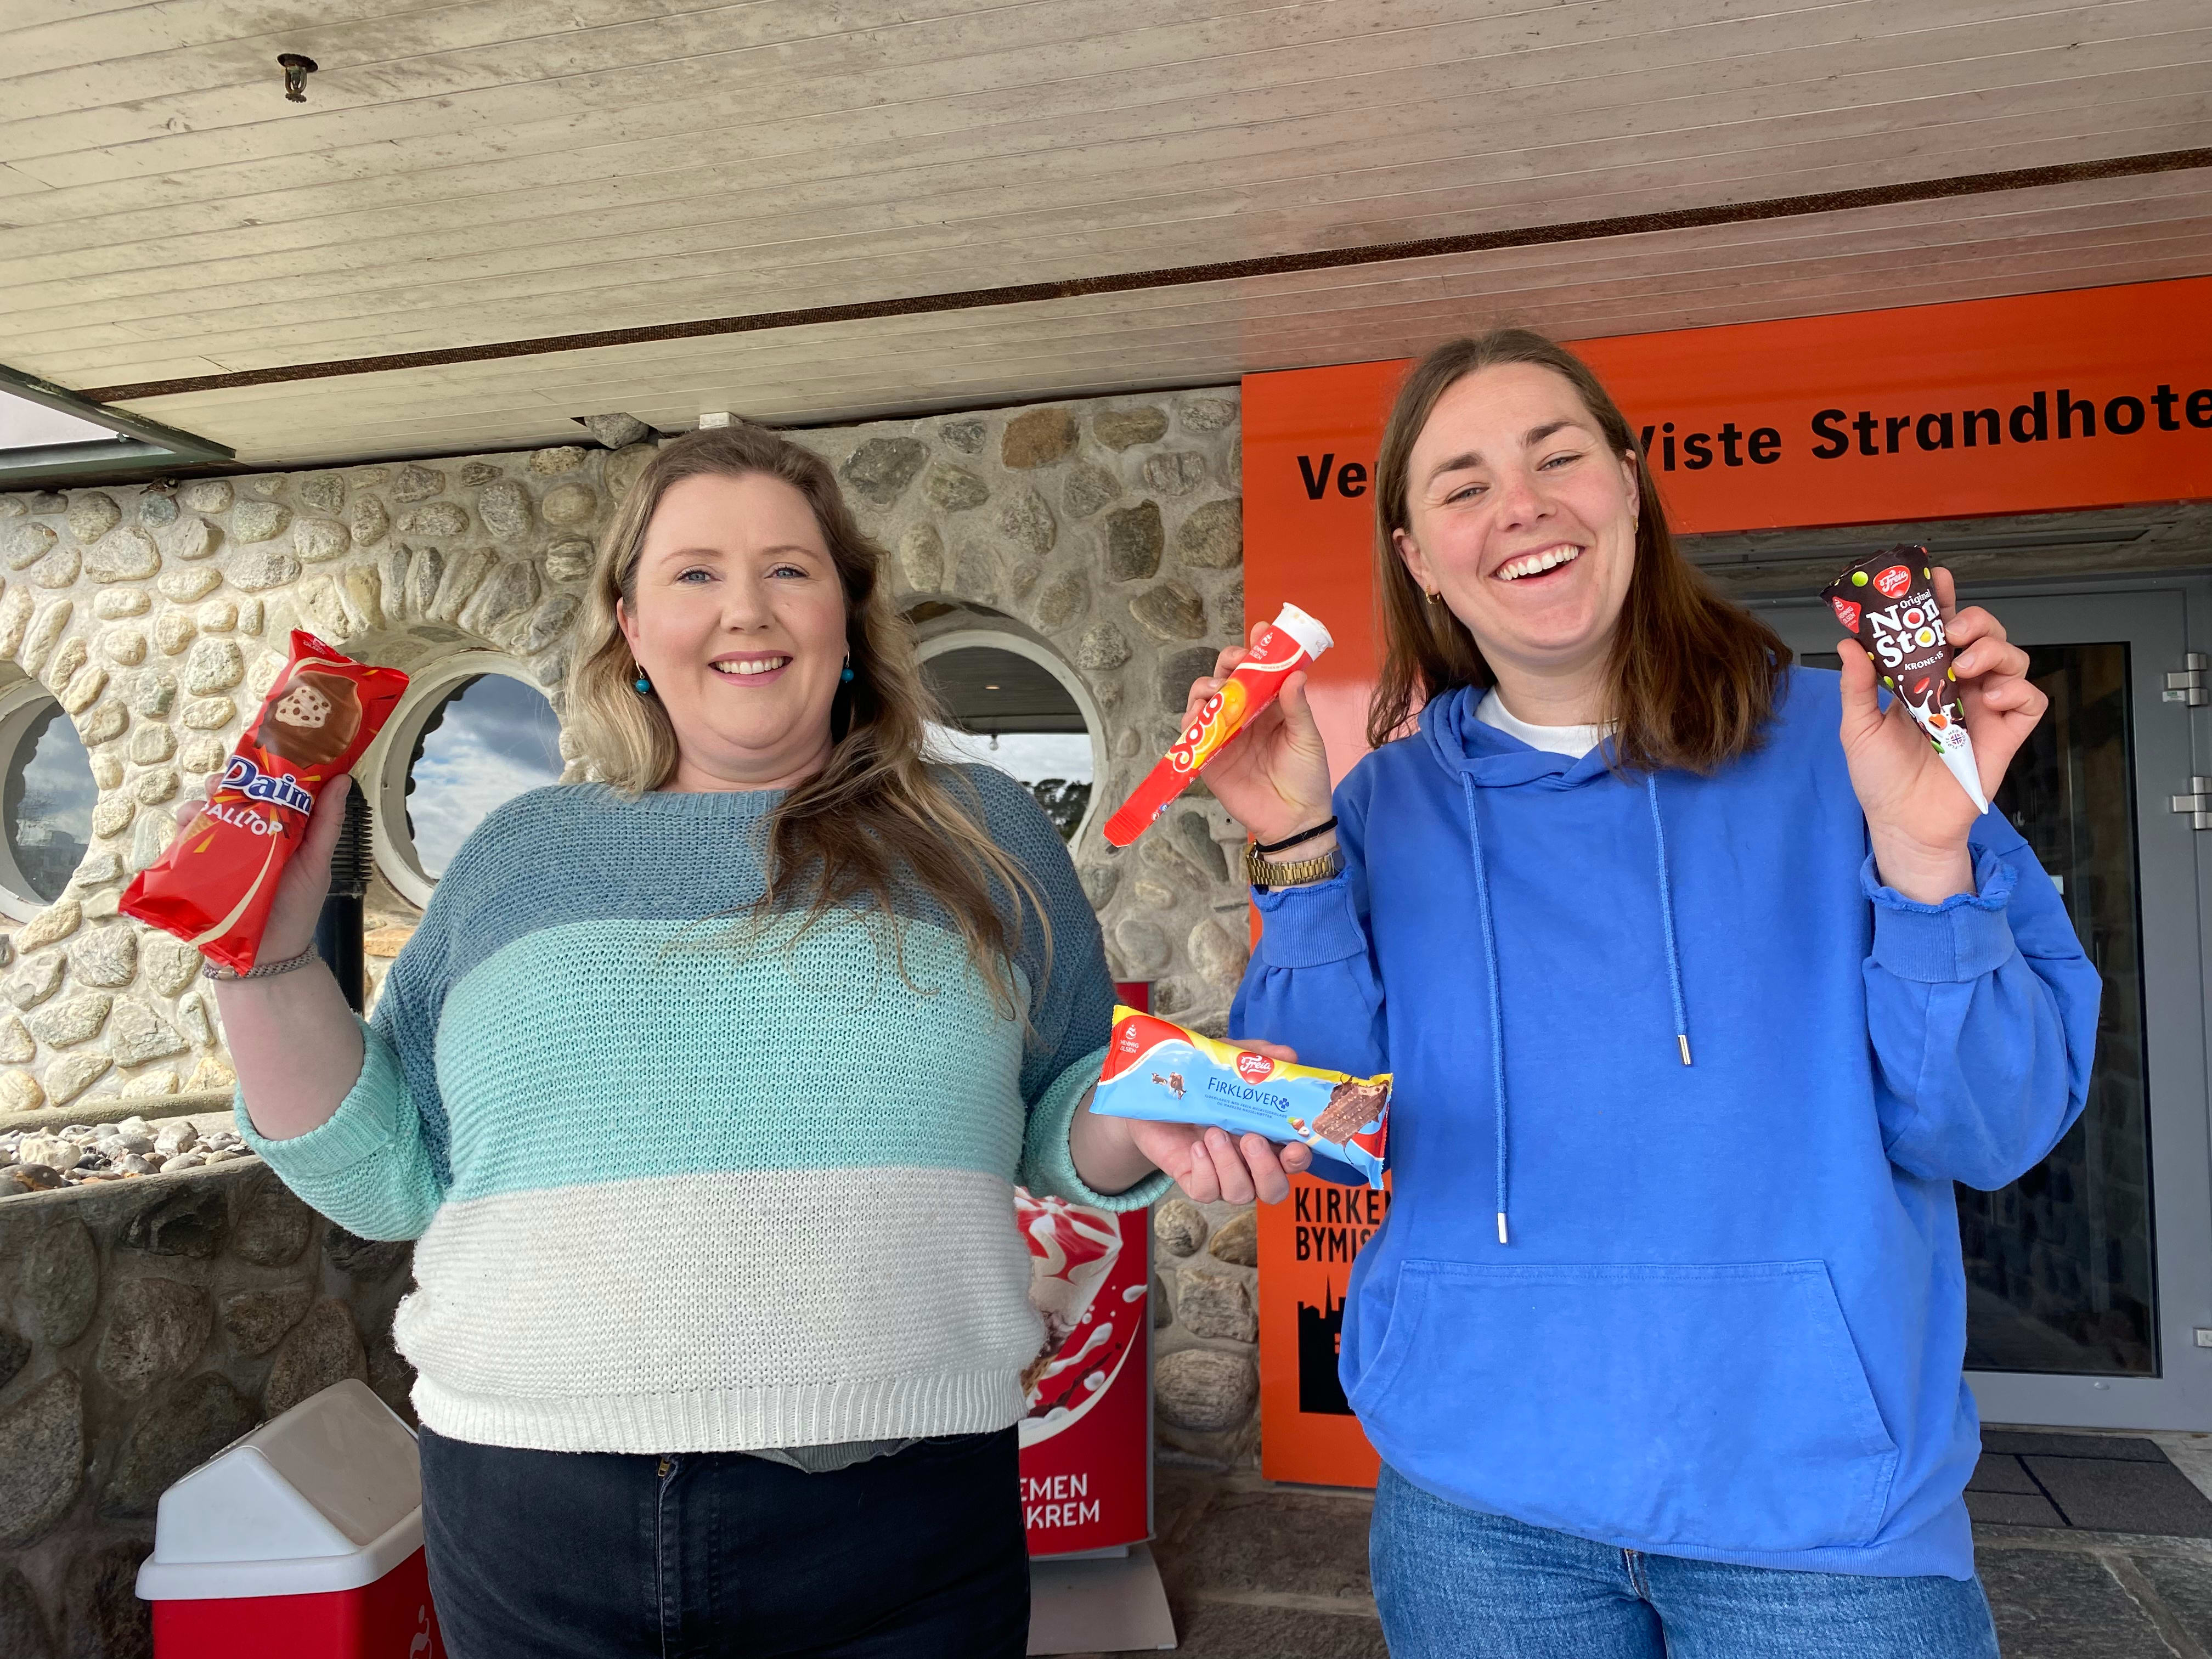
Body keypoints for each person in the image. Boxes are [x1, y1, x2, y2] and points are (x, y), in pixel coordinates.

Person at [198, 422, 1305, 1659]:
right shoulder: (515, 859)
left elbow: (1063, 1111)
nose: (747, 610)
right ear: (629, 626)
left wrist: (1135, 1110)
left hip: (900, 1522)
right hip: (535, 1522)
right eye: (695, 573)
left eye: (789, 568)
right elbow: (391, 1176)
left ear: (848, 615)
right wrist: (262, 961)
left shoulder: (985, 834)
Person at [1195, 330, 2100, 1658]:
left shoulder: (1865, 749)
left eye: (1557, 457)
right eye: (1463, 486)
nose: (1521, 506)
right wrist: (1294, 847)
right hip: (1479, 1516)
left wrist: (1923, 859)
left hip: (1818, 1521)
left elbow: (1991, 1128)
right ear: (1418, 556)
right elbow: (1323, 1135)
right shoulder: (1376, 809)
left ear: (1629, 484)